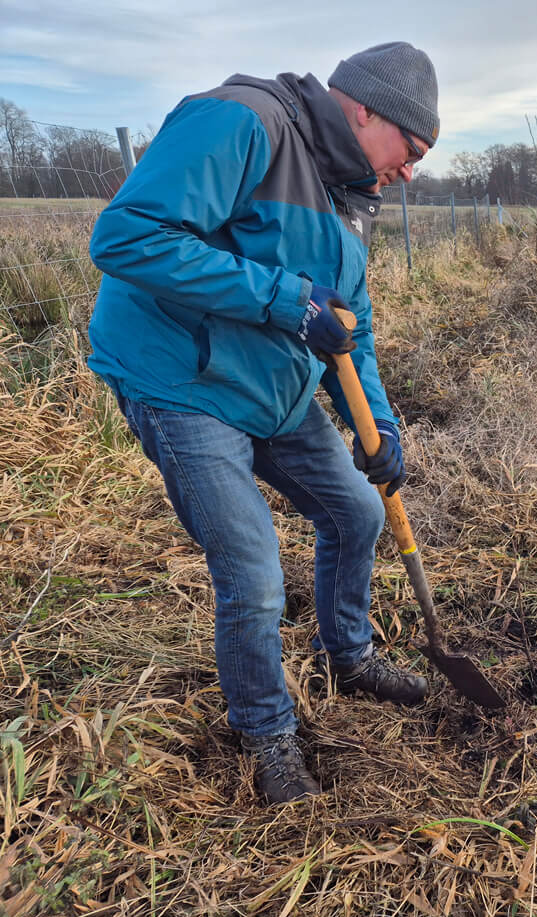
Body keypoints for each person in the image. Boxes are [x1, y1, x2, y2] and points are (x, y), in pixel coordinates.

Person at [87, 42, 441, 804]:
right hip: (182, 379)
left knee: (354, 510)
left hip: (270, 386)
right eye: (410, 150)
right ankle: (266, 732)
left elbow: (351, 327)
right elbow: (124, 238)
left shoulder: (353, 195)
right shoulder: (242, 122)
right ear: (365, 108)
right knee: (253, 568)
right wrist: (285, 301)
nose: (412, 170)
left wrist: (375, 424)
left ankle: (347, 654)